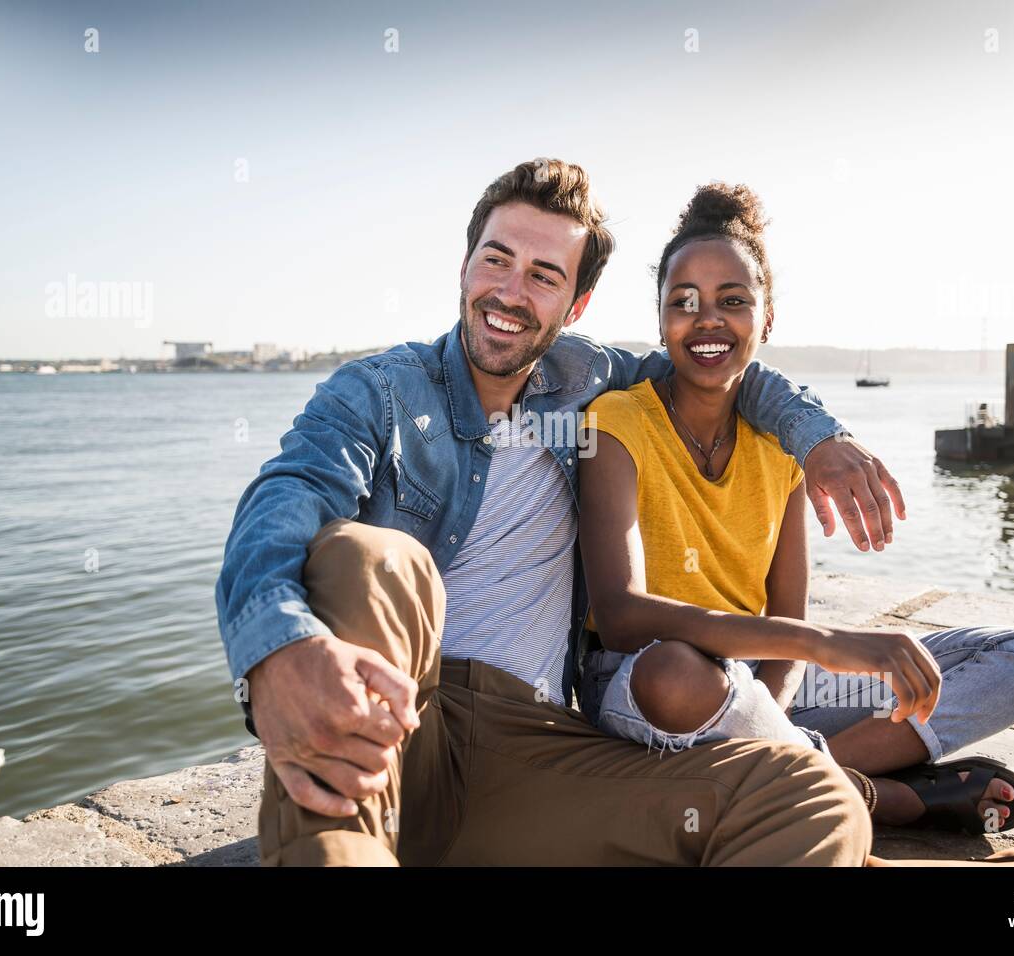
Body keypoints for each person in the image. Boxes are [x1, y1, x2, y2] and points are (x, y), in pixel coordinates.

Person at [216, 158, 903, 866]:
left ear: (575, 305)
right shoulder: (382, 391)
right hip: (395, 723)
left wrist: (820, 440)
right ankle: (337, 848)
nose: (511, 294)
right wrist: (275, 652)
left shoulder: (586, 385)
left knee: (815, 799)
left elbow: (721, 360)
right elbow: (284, 501)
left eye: (545, 276)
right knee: (371, 558)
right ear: (464, 266)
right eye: (498, 260)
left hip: (534, 749)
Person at [576, 182, 1014, 835]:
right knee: (674, 670)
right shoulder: (613, 423)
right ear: (661, 318)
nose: (708, 319)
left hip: (766, 687)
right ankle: (877, 797)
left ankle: (804, 770)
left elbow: (784, 625)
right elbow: (620, 617)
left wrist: (775, 705)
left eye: (734, 301)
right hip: (648, 682)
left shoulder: (783, 449)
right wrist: (829, 644)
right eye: (683, 302)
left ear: (767, 319)